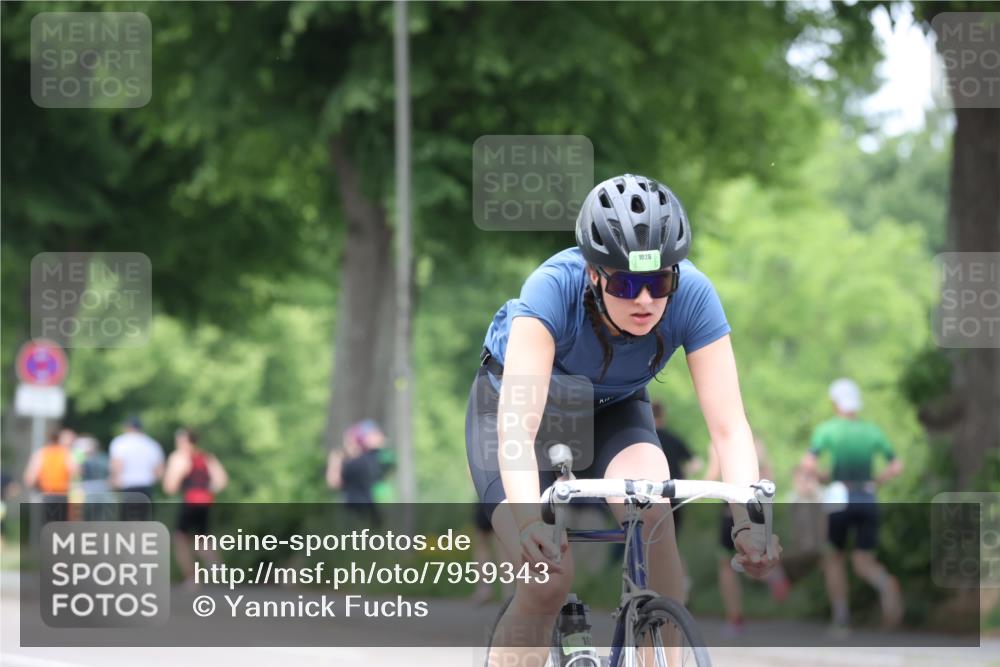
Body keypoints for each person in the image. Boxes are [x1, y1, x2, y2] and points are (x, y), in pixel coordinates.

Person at [465, 174, 781, 664]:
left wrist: (747, 522)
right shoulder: (551, 289)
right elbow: (518, 427)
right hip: (515, 413)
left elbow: (729, 427)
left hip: (612, 409)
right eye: (626, 283)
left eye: (659, 282)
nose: (645, 300)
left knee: (653, 512)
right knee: (547, 580)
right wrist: (529, 522)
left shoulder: (695, 296)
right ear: (594, 274)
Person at [800, 378, 904, 634]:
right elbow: (896, 465)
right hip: (867, 497)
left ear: (836, 403)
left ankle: (841, 618)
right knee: (863, 562)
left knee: (833, 558)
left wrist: (824, 478)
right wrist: (876, 481)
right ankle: (885, 583)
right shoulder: (872, 431)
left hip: (840, 498)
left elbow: (808, 464)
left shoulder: (828, 429)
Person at [705, 437, 790, 637]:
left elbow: (714, 475)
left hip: (732, 512)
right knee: (755, 554)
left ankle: (734, 619)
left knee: (726, 564)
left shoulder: (718, 443)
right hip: (759, 508)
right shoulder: (757, 443)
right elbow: (768, 477)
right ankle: (775, 577)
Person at [163, 427, 227, 587]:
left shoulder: (179, 457)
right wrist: (206, 489)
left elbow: (170, 487)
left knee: (180, 540)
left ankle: (192, 578)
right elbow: (221, 481)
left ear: (183, 440)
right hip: (205, 501)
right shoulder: (207, 457)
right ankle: (218, 570)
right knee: (202, 539)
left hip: (189, 502)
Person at [326, 420, 390, 527]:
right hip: (369, 510)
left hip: (355, 511)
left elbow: (334, 482)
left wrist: (335, 461)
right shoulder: (370, 459)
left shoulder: (355, 463)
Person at [109, 416, 164, 518]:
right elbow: (159, 471)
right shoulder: (152, 444)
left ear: (127, 427)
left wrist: (113, 483)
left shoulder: (120, 442)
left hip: (128, 487)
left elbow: (117, 466)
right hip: (147, 487)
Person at [23, 426, 76, 522]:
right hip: (62, 495)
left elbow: (30, 478)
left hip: (46, 494)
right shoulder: (66, 453)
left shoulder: (41, 453)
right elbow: (74, 472)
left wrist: (35, 488)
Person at [72, 435, 111, 521]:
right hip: (101, 488)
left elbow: (77, 472)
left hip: (89, 490)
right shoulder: (103, 458)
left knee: (88, 516)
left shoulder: (83, 459)